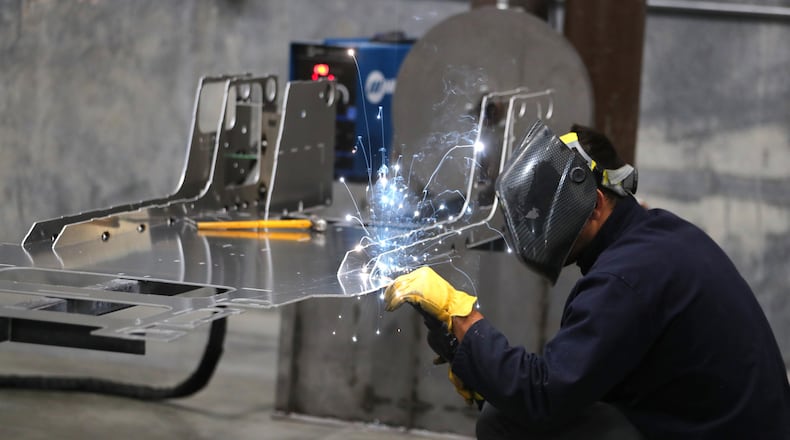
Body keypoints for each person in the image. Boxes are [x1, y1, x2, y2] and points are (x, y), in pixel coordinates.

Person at [384, 121, 790, 439]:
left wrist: (464, 320)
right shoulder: (658, 238)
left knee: (506, 424)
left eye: (546, 213)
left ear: (594, 202)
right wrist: (474, 360)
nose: (537, 227)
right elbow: (582, 378)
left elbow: (543, 397)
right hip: (711, 425)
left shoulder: (626, 277)